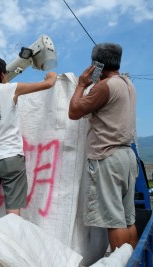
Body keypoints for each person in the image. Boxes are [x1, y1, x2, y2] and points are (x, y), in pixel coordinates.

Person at [0, 56, 57, 233]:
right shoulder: (9, 89)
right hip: (11, 158)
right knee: (12, 211)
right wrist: (51, 75)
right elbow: (48, 84)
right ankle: (10, 253)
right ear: (3, 74)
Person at [68, 43, 138, 250]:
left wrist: (81, 84)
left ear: (96, 63)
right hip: (127, 156)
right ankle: (133, 261)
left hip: (107, 158)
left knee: (114, 221)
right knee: (128, 219)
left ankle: (119, 261)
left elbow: (73, 112)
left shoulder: (104, 87)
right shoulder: (127, 84)